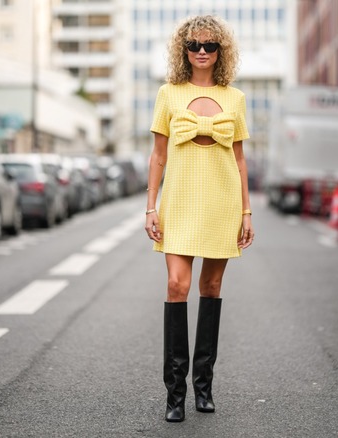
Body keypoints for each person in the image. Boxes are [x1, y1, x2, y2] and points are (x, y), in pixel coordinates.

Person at [145, 15, 254, 422]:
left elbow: (241, 160)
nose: (202, 52)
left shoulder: (236, 99)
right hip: (180, 202)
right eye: (194, 45)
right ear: (184, 50)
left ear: (221, 51)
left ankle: (203, 387)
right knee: (177, 284)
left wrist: (246, 212)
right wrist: (150, 206)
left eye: (210, 46)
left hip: (222, 202)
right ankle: (174, 394)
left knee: (211, 286)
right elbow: (158, 155)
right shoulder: (169, 94)